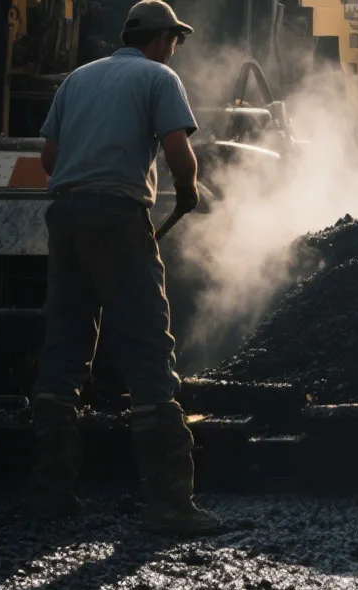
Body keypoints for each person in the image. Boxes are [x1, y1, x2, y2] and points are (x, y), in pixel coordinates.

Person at [28, 0, 221, 535]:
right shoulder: (158, 77)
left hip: (65, 216)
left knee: (64, 345)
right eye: (174, 42)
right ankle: (169, 503)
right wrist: (186, 193)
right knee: (146, 348)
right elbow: (180, 152)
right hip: (118, 215)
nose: (173, 50)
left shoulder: (77, 80)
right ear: (163, 40)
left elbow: (49, 158)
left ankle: (50, 492)